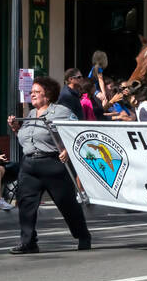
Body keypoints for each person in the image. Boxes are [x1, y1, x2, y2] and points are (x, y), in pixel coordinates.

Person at [8, 76, 90, 254]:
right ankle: (28, 242)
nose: (33, 95)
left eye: (37, 92)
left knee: (66, 204)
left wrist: (67, 149)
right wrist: (16, 129)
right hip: (29, 165)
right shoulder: (30, 115)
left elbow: (78, 130)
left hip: (52, 164)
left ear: (48, 94)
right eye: (32, 92)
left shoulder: (61, 111)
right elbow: (27, 140)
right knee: (26, 205)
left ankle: (82, 235)